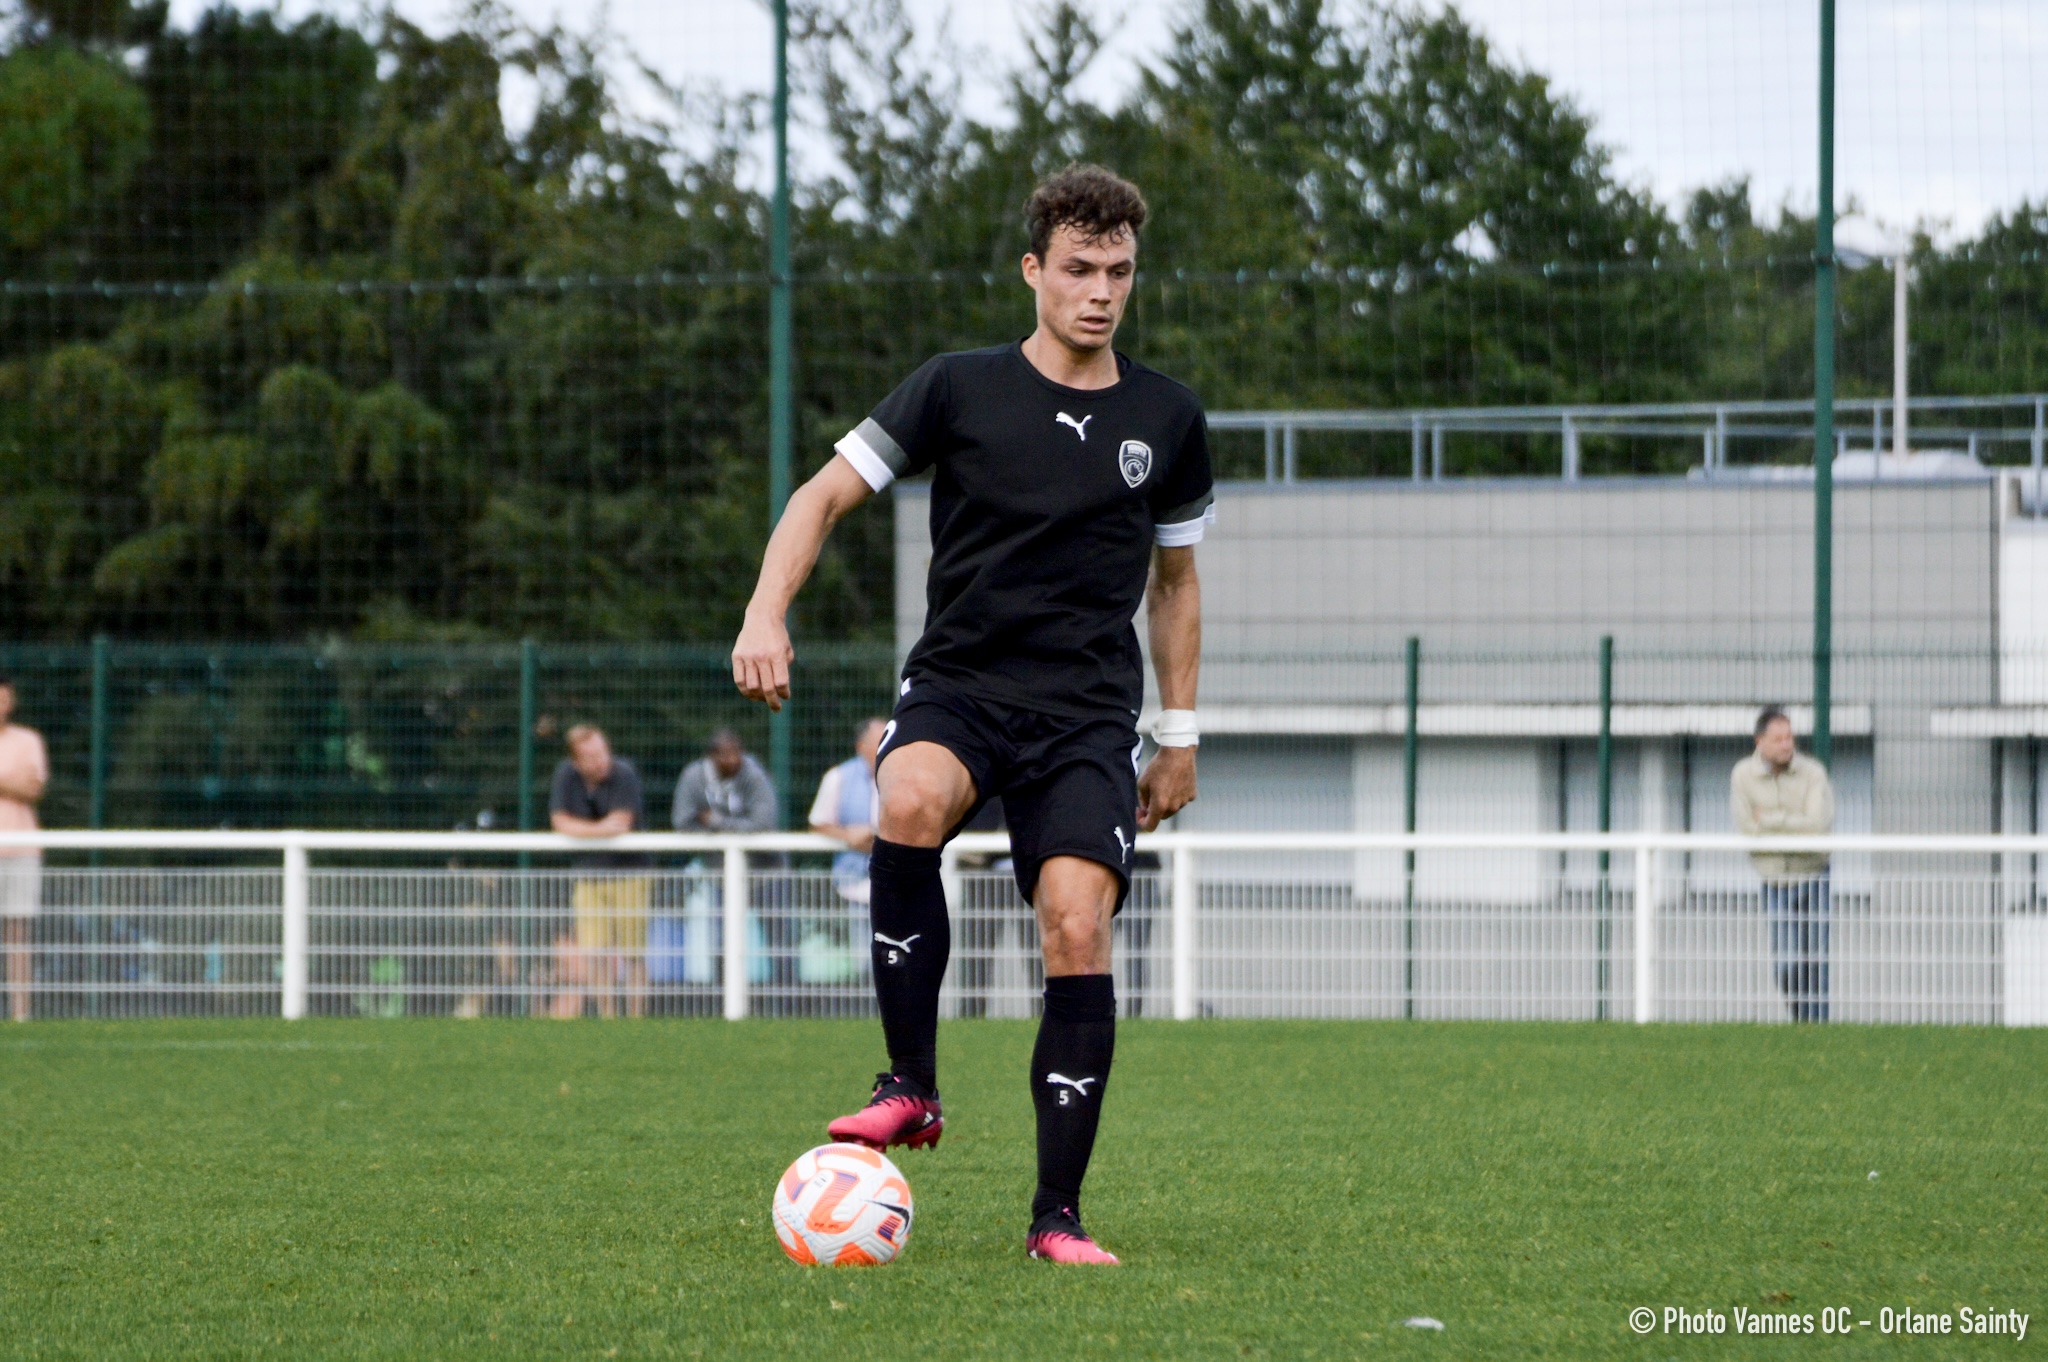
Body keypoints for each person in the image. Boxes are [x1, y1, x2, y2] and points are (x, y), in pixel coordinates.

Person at [732, 164, 1210, 1264]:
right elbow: (821, 495)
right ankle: (909, 1085)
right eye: (1078, 269)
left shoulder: (1167, 418)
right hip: (961, 686)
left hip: (1086, 716)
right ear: (1033, 269)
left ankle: (1055, 1217)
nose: (1099, 291)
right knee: (904, 799)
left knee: (1075, 925)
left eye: (1119, 272)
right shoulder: (956, 387)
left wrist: (1177, 736)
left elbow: (1174, 584)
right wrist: (766, 611)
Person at [1731, 706, 1836, 1023]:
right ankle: (1800, 1020)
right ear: (1760, 742)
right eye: (1778, 739)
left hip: (1814, 874)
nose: (1786, 745)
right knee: (1786, 963)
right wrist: (1791, 825)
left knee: (1815, 961)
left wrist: (1771, 821)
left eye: (1789, 737)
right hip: (1773, 880)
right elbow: (1748, 828)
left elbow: (1818, 825)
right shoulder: (1742, 775)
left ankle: (1817, 1030)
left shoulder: (1813, 772)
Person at [549, 724, 652, 1018]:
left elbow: (620, 824)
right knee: (594, 951)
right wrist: (598, 830)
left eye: (603, 752)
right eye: (592, 756)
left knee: (633, 952)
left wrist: (581, 830)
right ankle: (606, 1018)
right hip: (589, 876)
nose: (601, 761)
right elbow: (559, 822)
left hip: (631, 875)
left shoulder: (624, 774)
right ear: (576, 761)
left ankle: (634, 1020)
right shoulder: (566, 776)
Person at [809, 718, 887, 980]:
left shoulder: (903, 775)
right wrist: (849, 836)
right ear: (861, 746)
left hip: (895, 884)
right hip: (852, 886)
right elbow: (818, 824)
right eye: (878, 742)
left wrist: (874, 836)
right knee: (862, 962)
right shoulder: (839, 776)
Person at [0, 679, 48, 1023]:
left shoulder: (29, 741)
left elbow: (32, 788)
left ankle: (20, 1014)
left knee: (18, 933)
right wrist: (10, 781)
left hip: (20, 849)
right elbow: (18, 783)